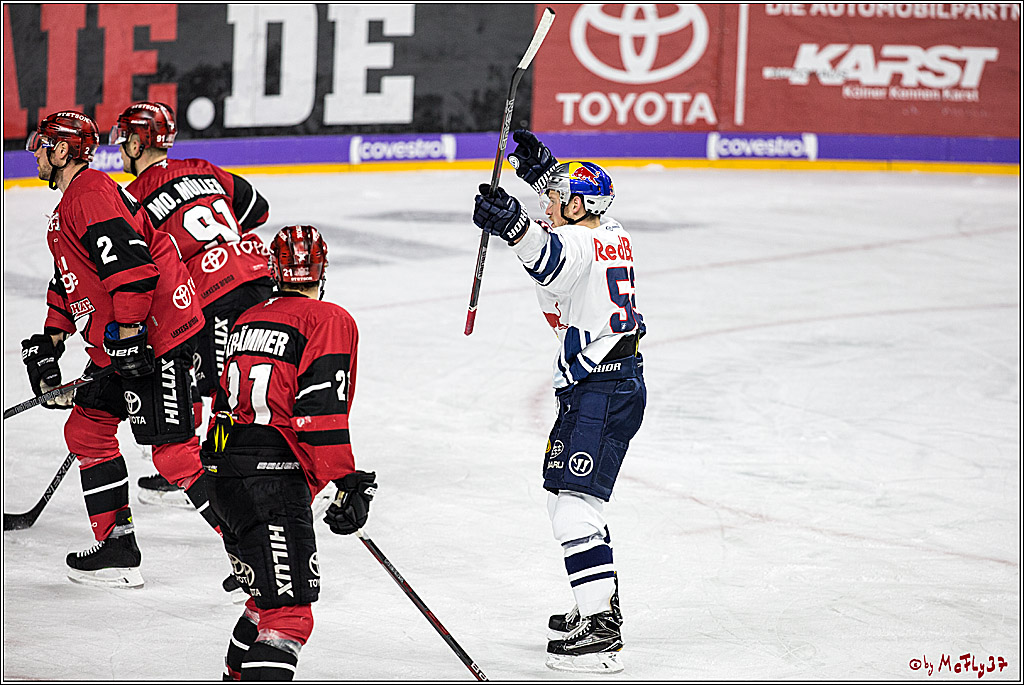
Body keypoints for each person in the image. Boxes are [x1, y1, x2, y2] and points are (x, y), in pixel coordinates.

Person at [472, 130, 647, 674]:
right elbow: (569, 217)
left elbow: (548, 256)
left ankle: (601, 623)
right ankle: (598, 602)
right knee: (575, 503)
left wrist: (511, 225)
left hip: (600, 388)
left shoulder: (573, 246)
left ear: (576, 208)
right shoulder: (610, 230)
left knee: (571, 506)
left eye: (554, 199)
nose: (546, 205)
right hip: (611, 384)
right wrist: (540, 168)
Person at [21, 110, 220, 588]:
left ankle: (253, 548)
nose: (38, 154)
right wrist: (52, 338)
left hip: (154, 336)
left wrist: (129, 336)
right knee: (87, 431)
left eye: (45, 145)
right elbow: (74, 279)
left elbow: (132, 269)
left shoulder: (88, 194)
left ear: (64, 150)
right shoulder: (77, 199)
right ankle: (117, 546)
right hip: (125, 339)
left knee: (174, 456)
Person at [200, 225, 376, 680]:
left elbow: (224, 399)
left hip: (223, 469)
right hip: (270, 479)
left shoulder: (248, 317)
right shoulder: (328, 318)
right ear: (322, 270)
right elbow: (319, 408)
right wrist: (345, 480)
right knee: (289, 616)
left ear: (275, 271)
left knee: (264, 601)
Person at [108, 101, 276, 507]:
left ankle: (263, 477)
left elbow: (134, 265)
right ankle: (238, 464)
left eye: (125, 138)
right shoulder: (202, 168)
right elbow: (258, 208)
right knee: (256, 375)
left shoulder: (131, 197)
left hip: (212, 293)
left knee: (227, 389)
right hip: (256, 276)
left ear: (135, 141)